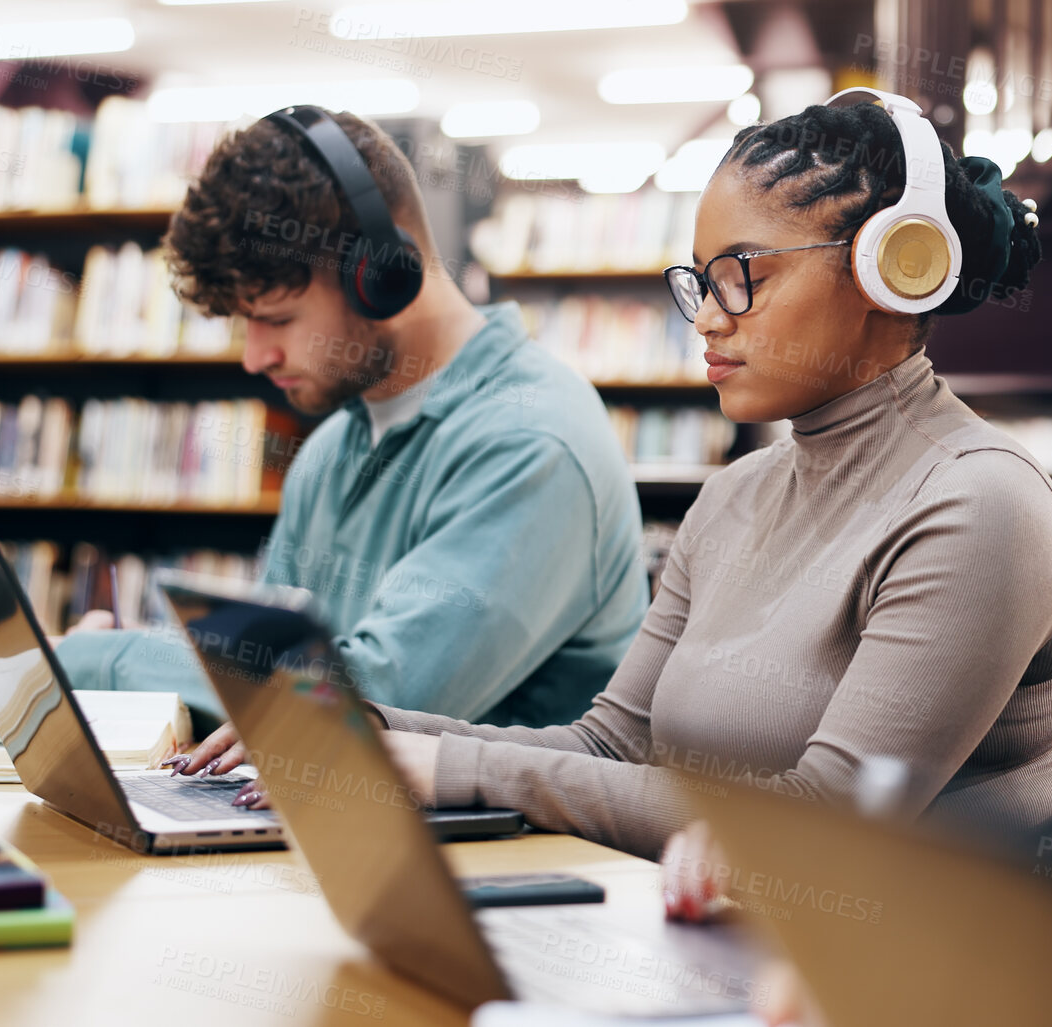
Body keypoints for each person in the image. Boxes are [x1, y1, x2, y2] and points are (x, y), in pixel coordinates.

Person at [182, 92, 1052, 866]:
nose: (709, 319)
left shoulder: (979, 505)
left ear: (892, 269)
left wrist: (451, 768)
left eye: (742, 276)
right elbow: (611, 741)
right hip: (720, 940)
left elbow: (829, 822)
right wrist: (369, 727)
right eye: (700, 281)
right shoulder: (736, 495)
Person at [55, 107, 647, 730]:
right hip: (330, 813)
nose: (255, 358)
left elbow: (366, 705)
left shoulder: (533, 442)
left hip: (504, 828)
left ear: (381, 274)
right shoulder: (333, 444)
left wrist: (99, 661)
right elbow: (259, 676)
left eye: (278, 319)